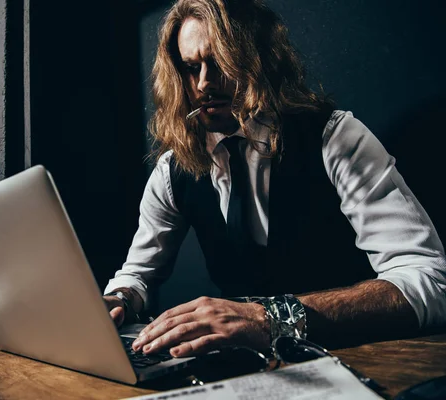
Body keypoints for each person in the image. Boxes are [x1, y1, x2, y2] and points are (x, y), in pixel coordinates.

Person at [103, 0, 446, 358]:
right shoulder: (175, 169)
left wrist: (273, 319)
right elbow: (137, 273)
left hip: (352, 360)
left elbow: (430, 281)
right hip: (241, 372)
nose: (204, 83)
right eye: (191, 68)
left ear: (259, 58)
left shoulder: (333, 137)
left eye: (220, 62)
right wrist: (120, 297)